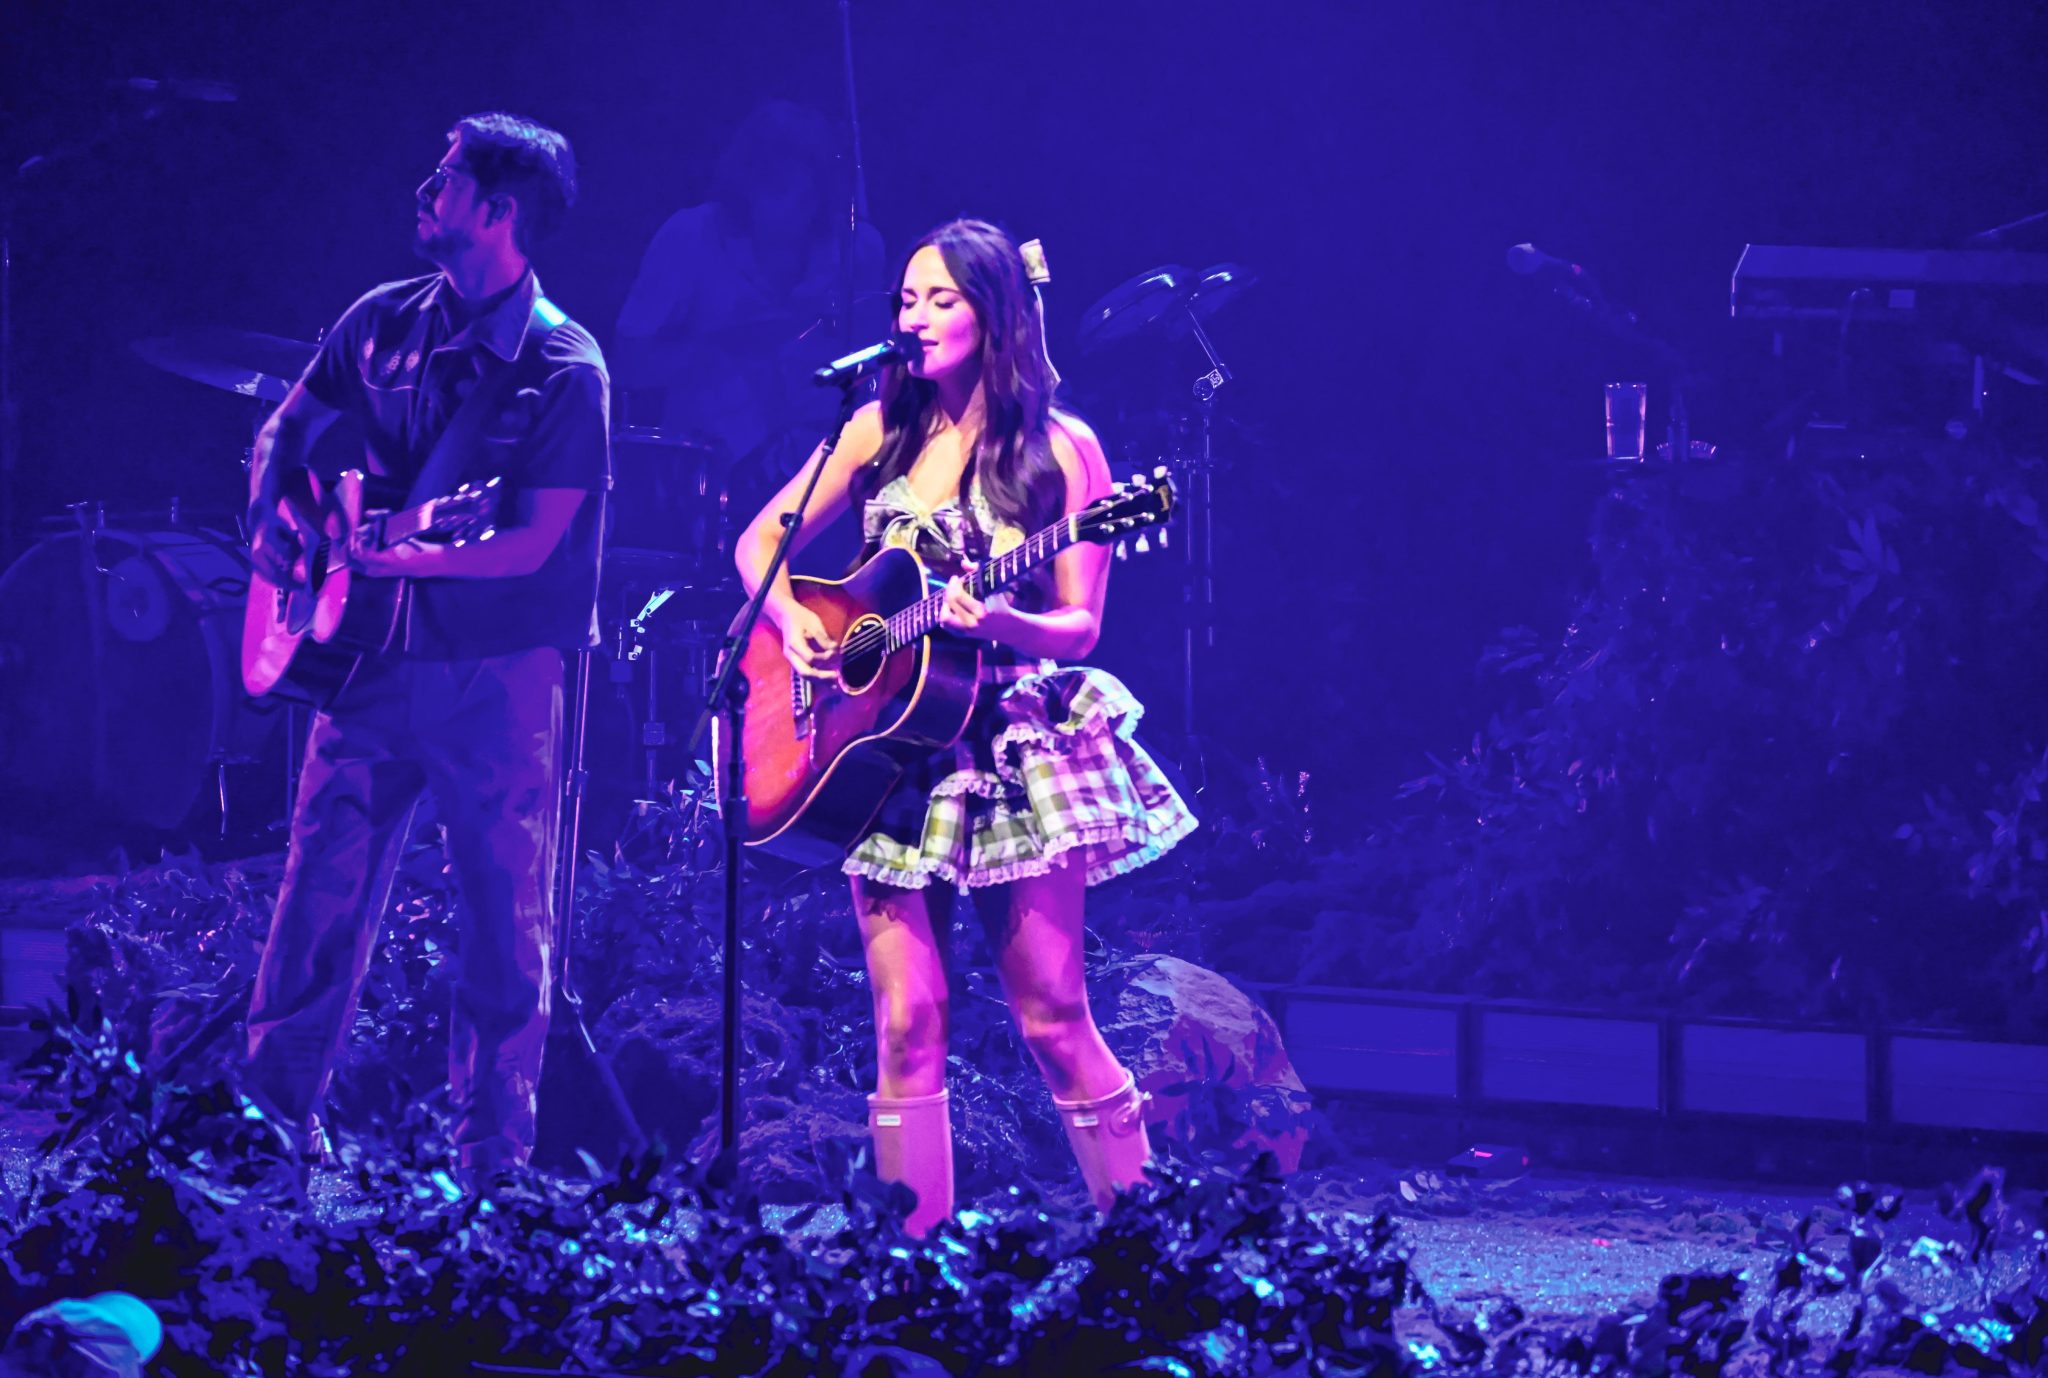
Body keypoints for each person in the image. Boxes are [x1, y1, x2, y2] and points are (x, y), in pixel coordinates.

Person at [732, 219, 1198, 1233]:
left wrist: (1002, 622)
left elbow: (1078, 626)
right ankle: (914, 1264)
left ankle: (1147, 1242)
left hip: (1007, 743)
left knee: (1052, 1014)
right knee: (907, 1022)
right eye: (906, 300)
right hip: (881, 753)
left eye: (940, 300)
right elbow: (759, 542)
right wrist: (795, 623)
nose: (916, 318)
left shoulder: (1061, 449)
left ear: (995, 316)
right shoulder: (875, 430)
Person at [241, 112, 609, 1174]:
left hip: (498, 677)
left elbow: (532, 543)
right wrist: (270, 510)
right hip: (368, 663)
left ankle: (488, 1170)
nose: (423, 188)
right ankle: (270, 1136)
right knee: (316, 898)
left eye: (443, 178)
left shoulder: (562, 367)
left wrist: (405, 556)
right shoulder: (379, 320)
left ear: (496, 210)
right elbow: (287, 425)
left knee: (501, 925)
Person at [614, 101, 885, 528]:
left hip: (823, 479)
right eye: (776, 189)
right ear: (746, 183)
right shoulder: (690, 237)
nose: (791, 208)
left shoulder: (857, 249)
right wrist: (720, 350)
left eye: (806, 195)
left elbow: (878, 373)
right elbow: (627, 363)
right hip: (707, 479)